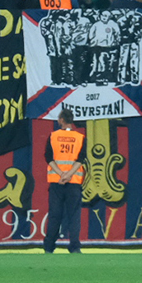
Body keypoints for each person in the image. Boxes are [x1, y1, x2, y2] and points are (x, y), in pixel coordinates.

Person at [42, 107, 85, 254]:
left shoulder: (53, 136)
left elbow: (49, 157)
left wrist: (61, 174)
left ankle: (49, 247)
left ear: (61, 120)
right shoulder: (80, 138)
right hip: (74, 182)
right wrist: (69, 175)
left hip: (56, 181)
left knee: (55, 214)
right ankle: (74, 247)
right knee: (74, 215)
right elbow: (81, 159)